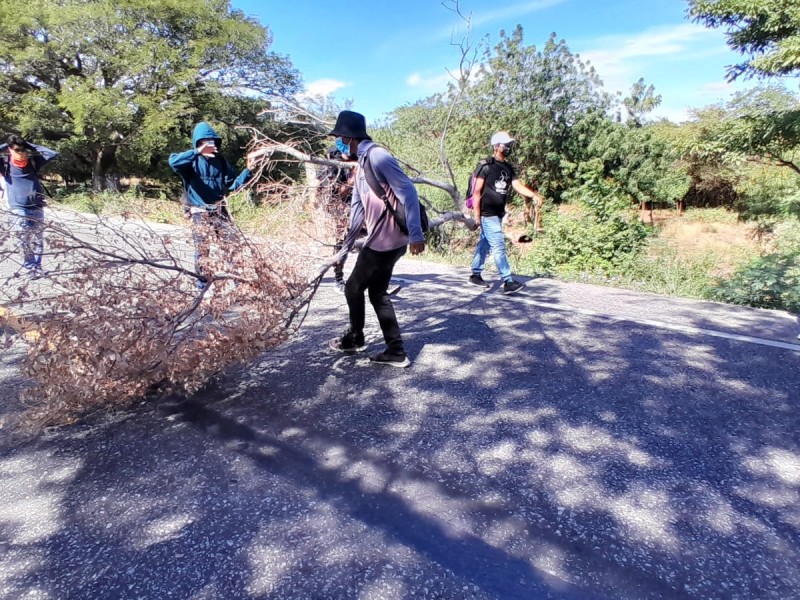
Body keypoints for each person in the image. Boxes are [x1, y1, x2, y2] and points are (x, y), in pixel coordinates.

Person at [327, 110, 425, 368]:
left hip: (387, 241)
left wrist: (416, 233)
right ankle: (395, 350)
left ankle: (355, 339)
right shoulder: (361, 166)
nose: (338, 143)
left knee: (353, 287)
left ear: (350, 138)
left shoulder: (378, 156)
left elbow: (408, 192)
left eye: (340, 138)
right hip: (386, 242)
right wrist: (345, 249)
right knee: (377, 293)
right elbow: (357, 210)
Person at [168, 122, 258, 290]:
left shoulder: (221, 162)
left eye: (212, 141)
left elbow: (232, 185)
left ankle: (240, 286)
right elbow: (173, 162)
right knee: (203, 251)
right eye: (205, 142)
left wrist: (248, 170)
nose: (210, 145)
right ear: (198, 143)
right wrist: (197, 152)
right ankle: (203, 288)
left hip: (219, 210)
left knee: (233, 246)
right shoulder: (190, 162)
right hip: (199, 212)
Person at [468, 131, 539, 294]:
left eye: (509, 144)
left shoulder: (507, 167)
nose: (508, 147)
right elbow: (477, 192)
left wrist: (533, 195)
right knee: (499, 245)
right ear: (496, 146)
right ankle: (508, 281)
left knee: (484, 243)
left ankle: (475, 274)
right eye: (505, 144)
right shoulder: (485, 165)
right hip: (487, 214)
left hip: (498, 213)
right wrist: (477, 215)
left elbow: (517, 185)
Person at [0, 134, 59, 277]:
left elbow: (52, 153)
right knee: (23, 239)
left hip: (37, 206)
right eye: (18, 150)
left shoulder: (33, 162)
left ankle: (37, 266)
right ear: (10, 150)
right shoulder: (5, 164)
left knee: (38, 239)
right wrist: (6, 145)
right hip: (19, 208)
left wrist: (29, 144)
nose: (22, 153)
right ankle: (29, 266)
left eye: (24, 150)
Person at [318, 143, 357, 293]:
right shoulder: (333, 159)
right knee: (342, 242)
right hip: (340, 203)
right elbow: (337, 194)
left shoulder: (359, 154)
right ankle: (338, 278)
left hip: (360, 202)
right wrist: (351, 182)